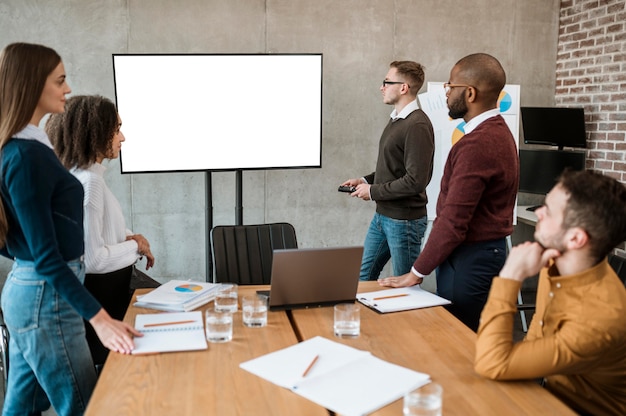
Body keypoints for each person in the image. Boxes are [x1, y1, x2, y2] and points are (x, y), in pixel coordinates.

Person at [0, 42, 140, 415]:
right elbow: (47, 257)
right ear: (32, 85)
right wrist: (101, 320)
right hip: (45, 299)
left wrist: (27, 260)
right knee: (85, 405)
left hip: (32, 293)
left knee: (22, 405)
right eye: (60, 80)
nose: (68, 89)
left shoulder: (27, 147)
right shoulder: (25, 156)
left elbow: (21, 242)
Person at [379, 53, 519, 332]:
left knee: (460, 342)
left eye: (450, 86)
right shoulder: (497, 132)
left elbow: (453, 220)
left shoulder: (478, 144)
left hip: (470, 259)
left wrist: (416, 273)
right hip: (479, 255)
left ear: (469, 93)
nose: (445, 92)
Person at [475, 169, 626, 416]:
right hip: (545, 397)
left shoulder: (601, 318)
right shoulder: (553, 263)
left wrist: (510, 277)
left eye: (549, 210)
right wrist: (519, 365)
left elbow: (493, 362)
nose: (538, 212)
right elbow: (537, 330)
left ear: (576, 238)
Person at [46, 95, 155, 368]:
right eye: (116, 129)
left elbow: (103, 231)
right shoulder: (89, 183)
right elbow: (92, 259)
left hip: (108, 293)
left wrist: (131, 237)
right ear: (95, 133)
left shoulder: (86, 177)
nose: (123, 137)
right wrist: (136, 246)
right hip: (104, 298)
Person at [341, 61, 434, 281]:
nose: (381, 87)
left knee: (405, 286)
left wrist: (372, 191)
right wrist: (363, 180)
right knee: (363, 278)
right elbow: (392, 168)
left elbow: (415, 181)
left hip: (405, 222)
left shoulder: (417, 125)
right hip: (383, 216)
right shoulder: (397, 120)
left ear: (403, 88)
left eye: (387, 82)